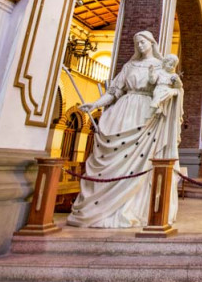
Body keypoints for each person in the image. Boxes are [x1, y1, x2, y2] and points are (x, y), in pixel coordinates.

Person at [67, 31, 182, 229]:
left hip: (146, 114)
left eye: (143, 41)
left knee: (142, 161)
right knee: (110, 154)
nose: (140, 45)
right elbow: (114, 92)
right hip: (124, 111)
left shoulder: (159, 65)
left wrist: (173, 91)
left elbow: (173, 86)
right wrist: (94, 104)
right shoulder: (128, 66)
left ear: (152, 43)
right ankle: (104, 208)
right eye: (137, 42)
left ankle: (134, 207)